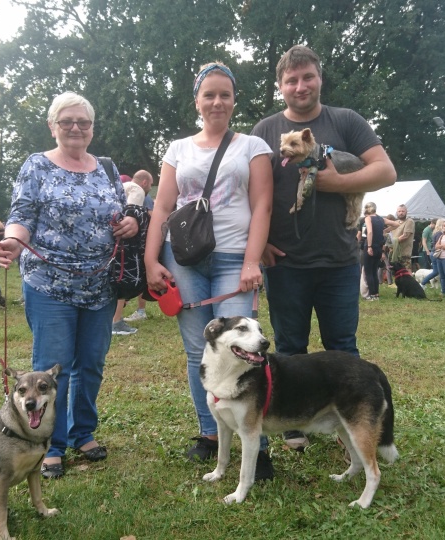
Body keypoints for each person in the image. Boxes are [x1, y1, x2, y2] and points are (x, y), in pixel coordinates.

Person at [250, 45, 396, 451]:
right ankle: (294, 421)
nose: (300, 86)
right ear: (280, 86)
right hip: (285, 262)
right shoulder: (264, 131)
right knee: (289, 349)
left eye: (307, 77)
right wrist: (258, 245)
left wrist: (335, 184)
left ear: (319, 78)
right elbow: (251, 193)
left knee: (343, 349)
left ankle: (350, 420)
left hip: (338, 260)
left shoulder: (346, 122)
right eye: (291, 80)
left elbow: (385, 171)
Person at [0, 91, 139, 479]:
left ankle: (83, 433)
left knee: (91, 363)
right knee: (51, 371)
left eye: (84, 122)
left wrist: (128, 223)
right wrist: (13, 240)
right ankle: (50, 445)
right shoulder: (37, 165)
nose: (76, 128)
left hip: (100, 286)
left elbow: (119, 212)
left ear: (92, 128)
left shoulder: (105, 168)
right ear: (52, 126)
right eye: (67, 122)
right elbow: (22, 213)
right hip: (49, 285)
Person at [144, 62, 274, 474]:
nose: (217, 101)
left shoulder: (252, 146)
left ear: (234, 100)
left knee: (243, 349)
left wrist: (253, 260)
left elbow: (262, 206)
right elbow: (162, 206)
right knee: (198, 350)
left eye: (225, 94)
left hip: (236, 257)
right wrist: (150, 259)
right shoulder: (177, 148)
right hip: (183, 259)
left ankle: (258, 439)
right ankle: (211, 432)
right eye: (209, 94)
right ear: (197, 100)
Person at [116, 170, 155, 332]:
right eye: (151, 184)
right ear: (145, 182)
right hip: (127, 246)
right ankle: (116, 321)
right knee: (123, 277)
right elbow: (133, 218)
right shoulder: (137, 191)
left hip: (112, 244)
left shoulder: (120, 187)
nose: (150, 187)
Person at [362, 202, 385, 300]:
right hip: (379, 247)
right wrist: (384, 231)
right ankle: (376, 294)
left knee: (368, 272)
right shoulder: (381, 219)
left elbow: (370, 231)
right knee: (374, 271)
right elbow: (395, 224)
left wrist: (369, 246)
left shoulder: (368, 218)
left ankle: (371, 295)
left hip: (371, 246)